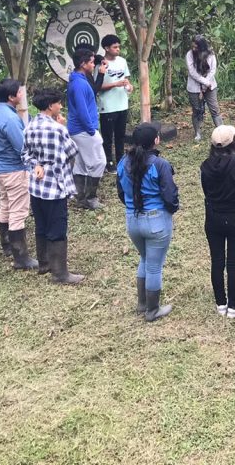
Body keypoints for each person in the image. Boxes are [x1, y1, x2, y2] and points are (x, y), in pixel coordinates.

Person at [117, 122, 179, 322]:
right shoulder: (160, 165)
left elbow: (120, 191)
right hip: (156, 221)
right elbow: (170, 196)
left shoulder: (123, 162)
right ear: (156, 141)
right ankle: (152, 310)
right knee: (154, 266)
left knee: (144, 259)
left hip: (132, 220)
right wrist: (171, 210)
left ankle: (142, 303)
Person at [22, 88, 84, 284]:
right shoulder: (58, 129)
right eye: (59, 103)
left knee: (41, 224)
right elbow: (73, 151)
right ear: (51, 106)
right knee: (57, 226)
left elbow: (25, 154)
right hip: (55, 186)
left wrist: (37, 165)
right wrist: (63, 127)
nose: (61, 106)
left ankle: (44, 263)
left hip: (36, 186)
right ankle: (60, 273)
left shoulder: (29, 127)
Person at [201, 125, 235, 318]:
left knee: (217, 260)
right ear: (233, 143)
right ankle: (233, 306)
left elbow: (205, 190)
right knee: (234, 262)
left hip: (213, 217)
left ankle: (220, 303)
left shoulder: (205, 166)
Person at [0, 78, 38, 270]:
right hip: (14, 170)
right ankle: (21, 257)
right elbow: (21, 147)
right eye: (19, 92)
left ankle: (6, 245)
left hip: (0, 168)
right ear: (11, 96)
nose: (22, 94)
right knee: (18, 211)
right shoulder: (10, 119)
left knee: (5, 205)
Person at [66, 47, 107, 210]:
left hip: (79, 129)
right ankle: (91, 197)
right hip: (84, 129)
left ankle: (81, 198)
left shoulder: (78, 80)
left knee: (82, 163)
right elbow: (82, 110)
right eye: (91, 62)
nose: (93, 65)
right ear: (83, 64)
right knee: (99, 162)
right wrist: (91, 130)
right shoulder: (79, 85)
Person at [98, 34, 132, 167]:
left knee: (120, 135)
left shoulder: (122, 61)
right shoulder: (100, 64)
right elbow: (98, 86)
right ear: (106, 48)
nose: (118, 49)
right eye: (115, 47)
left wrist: (129, 86)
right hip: (107, 106)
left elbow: (126, 79)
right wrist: (114, 84)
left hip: (122, 103)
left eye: (119, 47)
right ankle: (108, 161)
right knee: (107, 137)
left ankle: (121, 160)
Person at [186, 35, 223, 142]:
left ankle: (221, 131)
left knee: (214, 109)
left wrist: (206, 84)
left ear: (202, 47)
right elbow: (192, 72)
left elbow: (212, 71)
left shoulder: (210, 55)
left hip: (210, 86)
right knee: (197, 110)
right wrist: (205, 82)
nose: (194, 49)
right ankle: (197, 132)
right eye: (192, 47)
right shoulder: (189, 55)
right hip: (194, 87)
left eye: (196, 47)